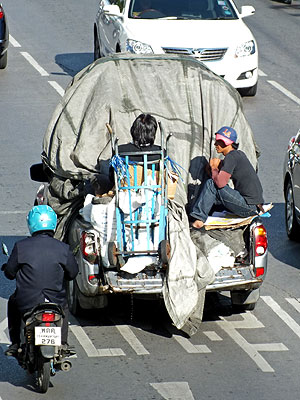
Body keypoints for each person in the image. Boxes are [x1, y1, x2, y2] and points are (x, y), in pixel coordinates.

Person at [2, 205, 78, 357]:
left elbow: (10, 273)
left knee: (12, 302)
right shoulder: (63, 248)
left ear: (31, 224)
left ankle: (16, 343)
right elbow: (73, 273)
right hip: (56, 300)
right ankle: (62, 343)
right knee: (65, 308)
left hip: (27, 301)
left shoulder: (21, 246)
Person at [190, 126, 264, 229]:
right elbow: (219, 177)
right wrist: (213, 169)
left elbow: (220, 183)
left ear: (226, 143)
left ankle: (199, 219)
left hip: (249, 207)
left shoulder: (231, 157)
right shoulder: (238, 155)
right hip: (254, 206)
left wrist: (214, 167)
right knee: (212, 189)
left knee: (211, 184)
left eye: (218, 142)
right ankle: (205, 215)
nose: (215, 145)